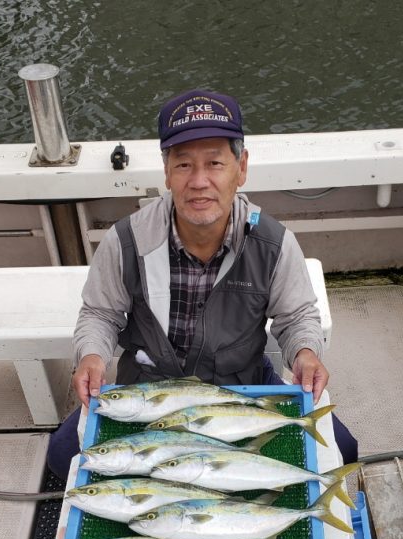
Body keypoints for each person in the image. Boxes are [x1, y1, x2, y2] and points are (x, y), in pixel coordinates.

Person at [47, 88, 357, 481]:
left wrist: (306, 352)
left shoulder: (274, 243)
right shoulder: (126, 239)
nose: (199, 181)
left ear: (241, 168)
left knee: (341, 449)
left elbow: (296, 315)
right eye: (183, 165)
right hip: (148, 388)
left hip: (240, 384)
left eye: (215, 163)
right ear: (166, 171)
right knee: (61, 455)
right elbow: (100, 312)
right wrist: (92, 355)